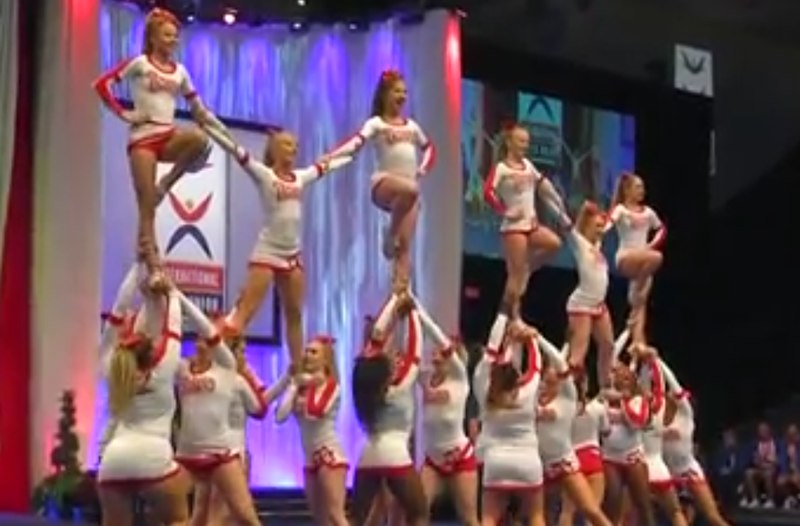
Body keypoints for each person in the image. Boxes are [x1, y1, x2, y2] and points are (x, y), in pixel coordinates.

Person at [92, 7, 226, 289]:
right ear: (153, 38)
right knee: (147, 205)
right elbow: (102, 84)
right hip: (143, 138)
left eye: (175, 36)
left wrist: (214, 123)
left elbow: (197, 108)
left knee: (199, 141)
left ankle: (167, 182)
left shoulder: (180, 72)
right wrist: (123, 113)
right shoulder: (140, 63)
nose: (173, 40)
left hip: (167, 134)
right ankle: (153, 264)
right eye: (167, 35)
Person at [200, 124, 350, 369]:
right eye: (288, 145)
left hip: (293, 253)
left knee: (294, 314)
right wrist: (206, 122)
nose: (294, 149)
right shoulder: (264, 175)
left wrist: (362, 140)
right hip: (268, 251)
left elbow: (329, 163)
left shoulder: (301, 177)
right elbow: (233, 148)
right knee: (243, 315)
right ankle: (214, 362)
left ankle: (298, 370)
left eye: (296, 146)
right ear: (275, 149)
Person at [323, 69, 436, 288]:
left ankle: (400, 292)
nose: (402, 96)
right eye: (396, 91)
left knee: (403, 246)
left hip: (408, 193)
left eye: (405, 92)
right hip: (384, 183)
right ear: (385, 95)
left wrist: (422, 168)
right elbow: (356, 144)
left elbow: (430, 148)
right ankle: (389, 233)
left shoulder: (412, 126)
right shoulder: (376, 123)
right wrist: (331, 156)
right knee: (412, 190)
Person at [97, 264, 191, 526]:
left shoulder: (111, 368)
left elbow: (116, 313)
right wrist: (171, 294)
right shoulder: (163, 369)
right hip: (152, 455)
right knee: (179, 520)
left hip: (114, 459)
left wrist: (137, 267)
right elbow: (173, 329)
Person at [174, 293, 260, 526]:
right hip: (186, 454)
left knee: (245, 517)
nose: (205, 339)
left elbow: (259, 409)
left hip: (220, 453)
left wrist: (179, 296)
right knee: (188, 518)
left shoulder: (226, 366)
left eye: (211, 337)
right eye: (201, 337)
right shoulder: (181, 367)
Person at [350, 291, 428, 526]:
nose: (396, 357)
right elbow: (415, 349)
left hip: (367, 455)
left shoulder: (363, 379)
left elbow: (376, 338)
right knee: (419, 513)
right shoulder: (400, 385)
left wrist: (395, 298)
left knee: (357, 519)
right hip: (395, 454)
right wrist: (412, 311)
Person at [194, 341, 291, 526]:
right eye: (241, 351)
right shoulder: (233, 380)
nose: (244, 357)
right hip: (229, 454)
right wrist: (286, 381)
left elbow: (260, 402)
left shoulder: (208, 376)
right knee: (222, 515)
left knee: (208, 513)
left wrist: (285, 380)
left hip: (209, 453)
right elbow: (259, 408)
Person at [483, 121, 568, 318]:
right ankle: (512, 317)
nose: (525, 145)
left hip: (531, 225)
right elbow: (488, 192)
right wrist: (504, 211)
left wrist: (557, 200)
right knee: (515, 278)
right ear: (510, 142)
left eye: (527, 142)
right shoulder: (502, 168)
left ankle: (528, 268)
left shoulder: (528, 165)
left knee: (554, 244)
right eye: (521, 141)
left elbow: (542, 184)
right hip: (514, 229)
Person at [413, 293, 479, 526]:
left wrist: (418, 310)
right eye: (435, 352)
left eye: (441, 352)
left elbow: (439, 338)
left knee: (469, 518)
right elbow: (408, 356)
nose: (435, 354)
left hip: (458, 455)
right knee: (418, 512)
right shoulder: (427, 378)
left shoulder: (460, 379)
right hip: (433, 458)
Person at [535, 335, 614, 526]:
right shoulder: (537, 398)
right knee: (541, 515)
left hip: (564, 464)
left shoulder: (567, 399)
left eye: (551, 383)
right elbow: (538, 371)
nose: (545, 386)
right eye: (544, 382)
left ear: (562, 383)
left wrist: (537, 338)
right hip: (541, 466)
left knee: (591, 511)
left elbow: (560, 365)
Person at [475, 321, 545, 526]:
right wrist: (530, 339)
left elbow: (493, 362)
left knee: (488, 518)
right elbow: (536, 366)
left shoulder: (487, 394)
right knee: (535, 516)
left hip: (496, 462)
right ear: (517, 378)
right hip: (528, 462)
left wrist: (510, 343)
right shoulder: (528, 391)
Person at [275, 335, 349, 526]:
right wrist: (293, 385)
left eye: (313, 351)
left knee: (336, 516)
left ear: (325, 359)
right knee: (320, 520)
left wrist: (307, 382)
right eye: (306, 351)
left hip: (329, 454)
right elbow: (280, 416)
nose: (307, 355)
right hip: (309, 457)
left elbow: (316, 411)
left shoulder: (332, 386)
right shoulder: (299, 387)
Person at [558, 329, 629, 526]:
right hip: (593, 459)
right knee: (593, 513)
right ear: (587, 383)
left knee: (567, 512)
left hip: (571, 459)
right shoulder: (597, 407)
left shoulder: (564, 409)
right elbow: (606, 431)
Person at [660, 359, 732, 526]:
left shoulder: (685, 416)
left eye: (673, 395)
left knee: (713, 517)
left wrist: (658, 361)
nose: (670, 394)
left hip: (688, 471)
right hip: (668, 473)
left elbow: (674, 385)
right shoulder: (658, 417)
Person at [606, 173, 666, 344]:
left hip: (643, 263)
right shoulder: (621, 210)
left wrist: (651, 244)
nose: (642, 190)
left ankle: (638, 341)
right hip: (626, 257)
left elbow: (661, 229)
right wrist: (596, 237)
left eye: (643, 187)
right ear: (627, 190)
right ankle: (637, 292)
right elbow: (608, 223)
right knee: (657, 258)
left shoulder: (648, 212)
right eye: (638, 187)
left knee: (641, 304)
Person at [632, 348, 688, 526]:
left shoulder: (633, 410)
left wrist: (636, 361)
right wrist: (654, 361)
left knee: (637, 516)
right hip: (659, 468)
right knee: (675, 512)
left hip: (639, 470)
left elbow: (634, 384)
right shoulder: (660, 407)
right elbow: (660, 385)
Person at [561, 201, 615, 387]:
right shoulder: (579, 243)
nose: (601, 229)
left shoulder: (597, 244)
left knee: (608, 346)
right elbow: (568, 225)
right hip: (581, 304)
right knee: (578, 357)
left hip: (598, 304)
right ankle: (566, 392)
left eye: (602, 226)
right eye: (597, 226)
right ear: (588, 225)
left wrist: (618, 193)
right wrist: (584, 210)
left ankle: (605, 388)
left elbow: (612, 217)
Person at [601, 350, 656, 526]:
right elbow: (610, 351)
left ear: (633, 382)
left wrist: (623, 401)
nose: (623, 381)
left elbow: (636, 422)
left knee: (643, 506)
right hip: (610, 458)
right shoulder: (605, 398)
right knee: (612, 506)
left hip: (633, 457)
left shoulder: (638, 400)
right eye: (620, 377)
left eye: (627, 379)